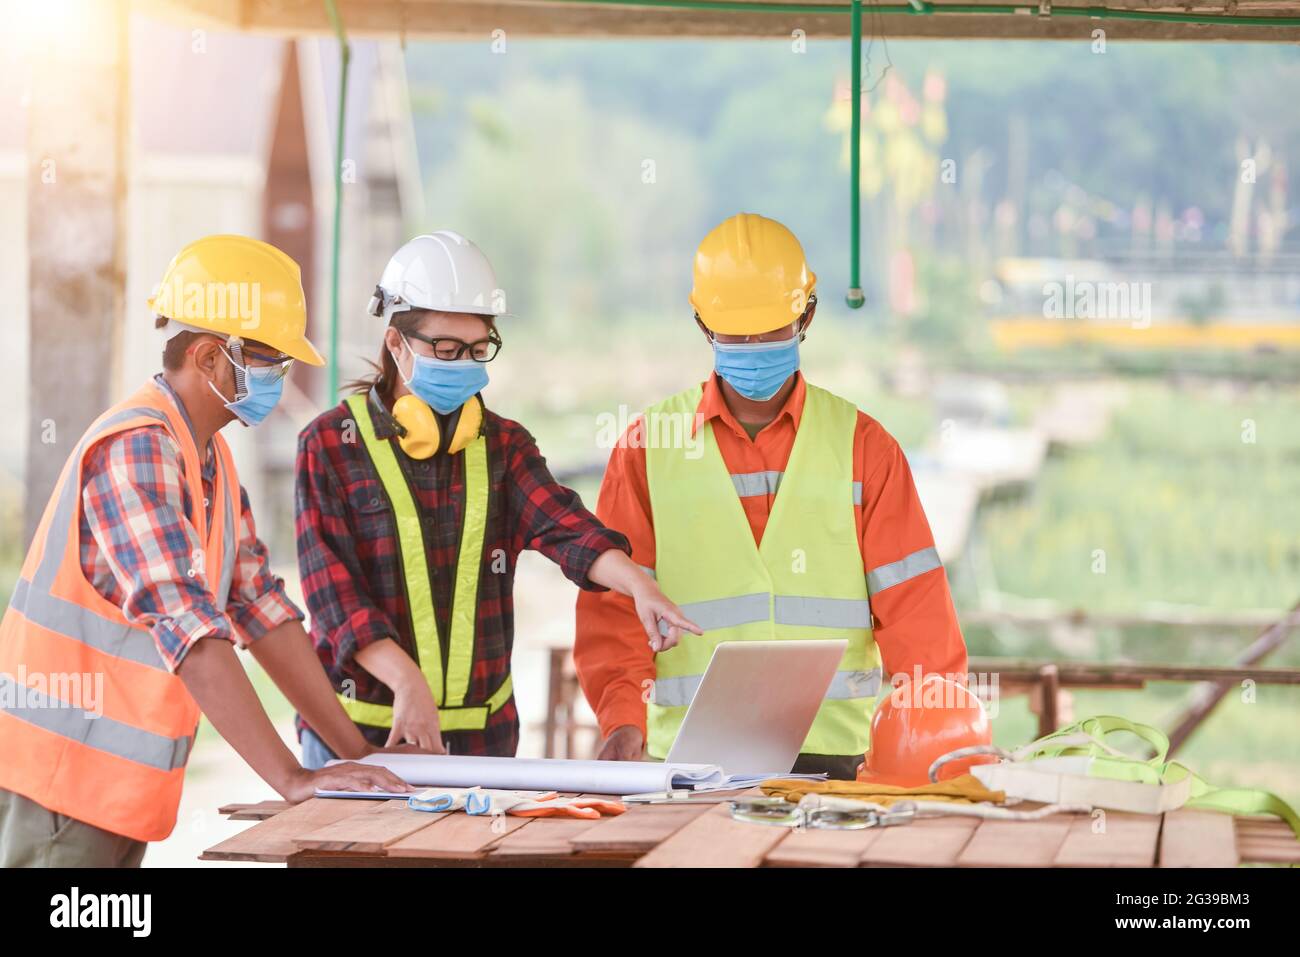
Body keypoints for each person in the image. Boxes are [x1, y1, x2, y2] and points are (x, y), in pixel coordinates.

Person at [0, 235, 412, 868]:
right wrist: (293, 779)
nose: (283, 377)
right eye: (270, 360)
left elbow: (260, 611)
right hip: (57, 788)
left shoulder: (208, 455)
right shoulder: (136, 448)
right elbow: (190, 630)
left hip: (107, 795)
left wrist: (351, 750)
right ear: (210, 356)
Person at [575, 213, 968, 779]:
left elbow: (917, 615)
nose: (754, 347)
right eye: (736, 334)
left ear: (806, 315)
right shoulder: (646, 449)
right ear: (702, 324)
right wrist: (621, 723)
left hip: (834, 762)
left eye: (770, 330)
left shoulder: (866, 449)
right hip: (682, 763)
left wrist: (939, 741)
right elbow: (613, 609)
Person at [294, 231, 699, 765]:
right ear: (396, 344)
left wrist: (638, 585)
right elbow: (332, 598)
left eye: (478, 348)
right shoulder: (329, 445)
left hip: (482, 746)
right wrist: (406, 681)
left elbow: (567, 528)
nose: (464, 363)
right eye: (445, 349)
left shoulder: (504, 445)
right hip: (360, 738)